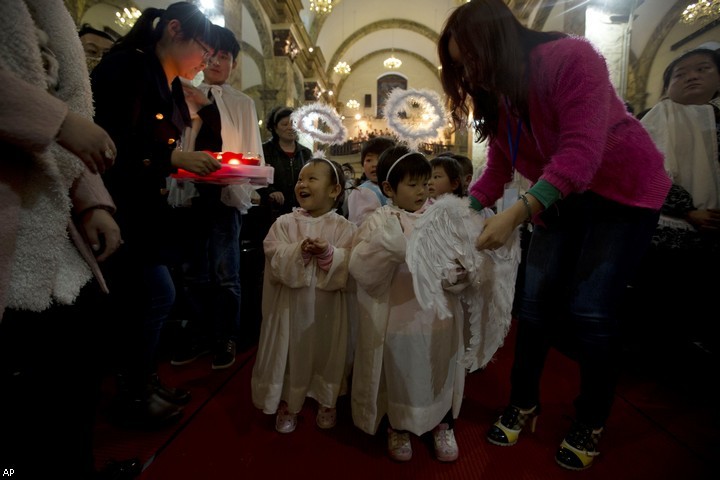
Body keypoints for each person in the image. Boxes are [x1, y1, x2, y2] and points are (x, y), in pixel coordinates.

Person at [437, 0, 671, 470]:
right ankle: (524, 402)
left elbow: (581, 155)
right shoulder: (499, 92)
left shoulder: (571, 59)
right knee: (535, 304)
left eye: (474, 61)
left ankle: (591, 418)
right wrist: (464, 211)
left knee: (590, 308)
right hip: (560, 196)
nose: (472, 76)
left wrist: (515, 215)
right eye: (463, 69)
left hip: (622, 194)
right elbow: (500, 164)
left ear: (496, 43)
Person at [0, 1, 123, 477]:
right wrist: (57, 122)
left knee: (72, 379)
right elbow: (65, 119)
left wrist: (92, 199)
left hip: (53, 227)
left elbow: (69, 95)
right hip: (13, 216)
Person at [91, 2, 221, 428]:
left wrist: (182, 159)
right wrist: (175, 156)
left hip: (145, 205)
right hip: (117, 203)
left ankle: (143, 380)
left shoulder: (167, 82)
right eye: (203, 48)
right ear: (173, 29)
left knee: (151, 296)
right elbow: (112, 140)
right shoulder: (127, 67)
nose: (206, 60)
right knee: (152, 295)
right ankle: (133, 391)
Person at [349, 146, 466, 463]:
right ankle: (397, 425)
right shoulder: (379, 222)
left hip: (437, 317)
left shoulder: (441, 220)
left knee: (436, 369)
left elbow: (461, 266)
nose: (422, 191)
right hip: (397, 318)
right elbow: (362, 271)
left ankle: (442, 422)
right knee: (399, 375)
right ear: (389, 188)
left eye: (426, 183)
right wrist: (392, 248)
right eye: (412, 184)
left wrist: (456, 273)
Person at [170, 24, 265, 370]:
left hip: (226, 194)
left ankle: (227, 337)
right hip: (191, 191)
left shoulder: (242, 102)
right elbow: (177, 138)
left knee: (227, 271)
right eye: (210, 55)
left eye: (224, 56)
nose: (216, 62)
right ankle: (197, 335)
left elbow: (250, 147)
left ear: (234, 64)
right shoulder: (182, 91)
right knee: (193, 270)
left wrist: (245, 185)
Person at [251, 158, 356, 434]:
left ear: (334, 191)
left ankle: (326, 398)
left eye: (312, 179)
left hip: (328, 309)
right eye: (300, 179)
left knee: (327, 349)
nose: (303, 184)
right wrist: (297, 252)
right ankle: (289, 399)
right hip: (290, 309)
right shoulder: (284, 223)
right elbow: (273, 255)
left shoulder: (344, 228)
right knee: (289, 351)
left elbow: (351, 266)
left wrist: (329, 254)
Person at [638, 47, 720, 357]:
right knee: (669, 301)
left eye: (702, 69)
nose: (691, 77)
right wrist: (686, 209)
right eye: (679, 75)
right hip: (669, 229)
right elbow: (645, 168)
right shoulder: (659, 116)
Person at [258, 106, 313, 225]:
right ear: (275, 128)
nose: (290, 128)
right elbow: (257, 177)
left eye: (294, 123)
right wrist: (270, 192)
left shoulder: (305, 153)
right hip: (273, 212)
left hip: (301, 211)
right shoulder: (264, 151)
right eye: (284, 124)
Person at [347, 136, 396, 225]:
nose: (374, 164)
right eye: (369, 160)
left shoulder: (396, 187)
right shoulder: (362, 192)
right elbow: (366, 227)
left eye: (380, 158)